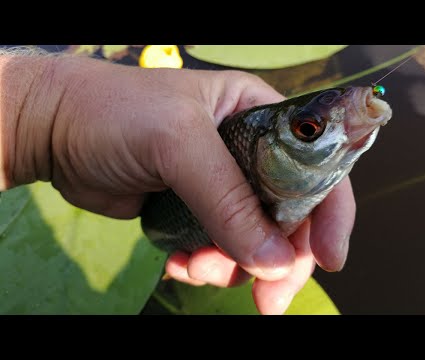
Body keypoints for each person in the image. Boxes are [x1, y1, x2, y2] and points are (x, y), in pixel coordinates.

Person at [0, 48, 356, 315]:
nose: (316, 130)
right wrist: (50, 113)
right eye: (308, 130)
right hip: (160, 221)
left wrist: (46, 109)